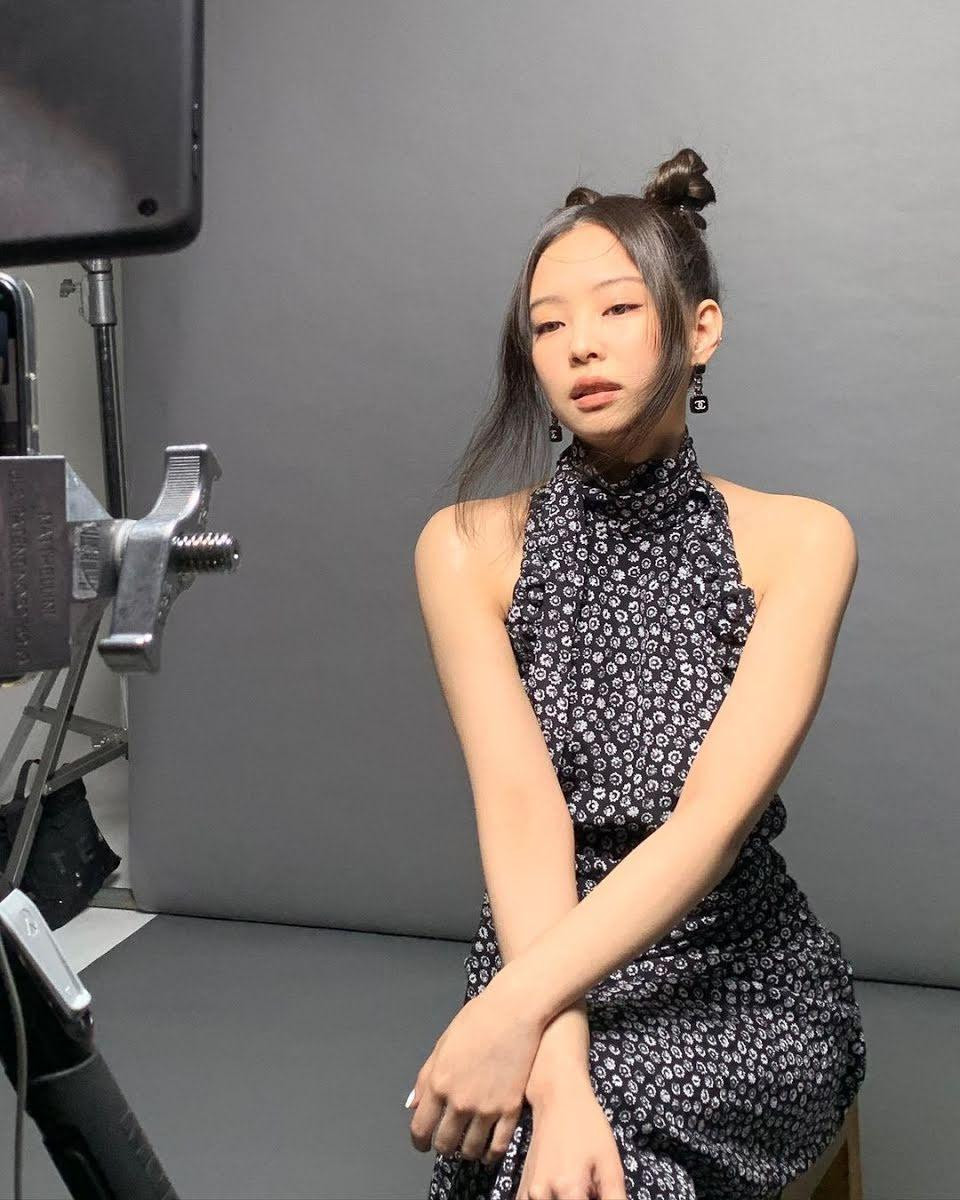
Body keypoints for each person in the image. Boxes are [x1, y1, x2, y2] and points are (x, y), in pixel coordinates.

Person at [412, 147, 866, 1200]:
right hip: (541, 946)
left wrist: (512, 1014)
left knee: (615, 1174)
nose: (580, 344)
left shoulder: (803, 541)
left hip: (734, 972)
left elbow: (708, 829)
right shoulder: (464, 548)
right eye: (548, 324)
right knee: (529, 1153)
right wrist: (548, 1051)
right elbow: (524, 817)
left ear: (700, 330)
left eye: (618, 309)